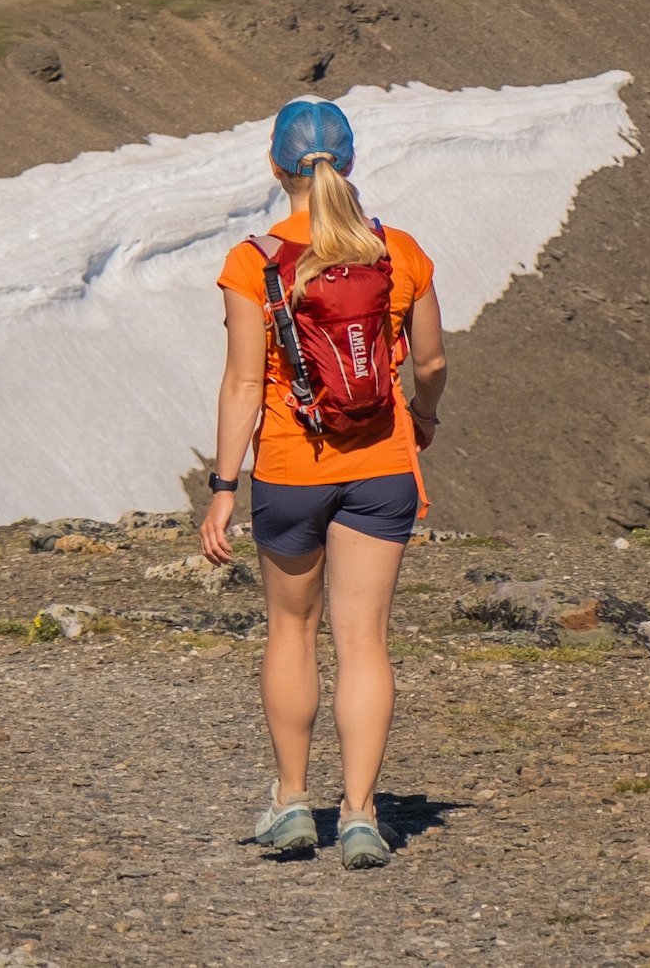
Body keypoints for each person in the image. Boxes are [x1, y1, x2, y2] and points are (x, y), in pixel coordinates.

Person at [201, 96, 447, 869]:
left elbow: (244, 384)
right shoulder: (398, 252)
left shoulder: (255, 261)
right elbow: (432, 362)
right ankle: (364, 815)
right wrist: (424, 417)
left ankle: (290, 802)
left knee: (292, 632)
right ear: (349, 161)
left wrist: (221, 488)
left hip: (290, 470)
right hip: (381, 469)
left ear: (277, 166)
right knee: (364, 641)